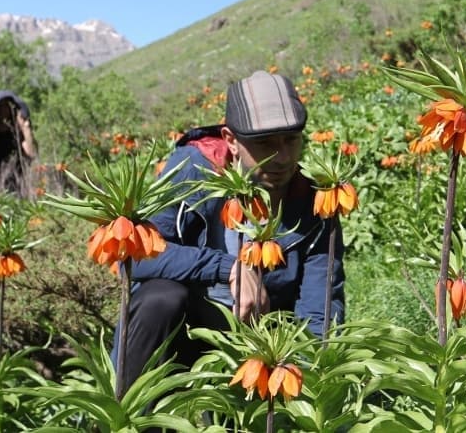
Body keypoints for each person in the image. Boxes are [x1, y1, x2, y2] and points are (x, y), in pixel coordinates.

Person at [116, 70, 345, 386]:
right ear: (231, 140)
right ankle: (131, 407)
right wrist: (230, 268)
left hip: (262, 344)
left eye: (291, 140)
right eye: (265, 144)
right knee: (161, 298)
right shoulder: (194, 170)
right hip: (188, 329)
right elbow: (134, 257)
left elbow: (320, 305)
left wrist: (312, 378)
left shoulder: (313, 199)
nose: (283, 158)